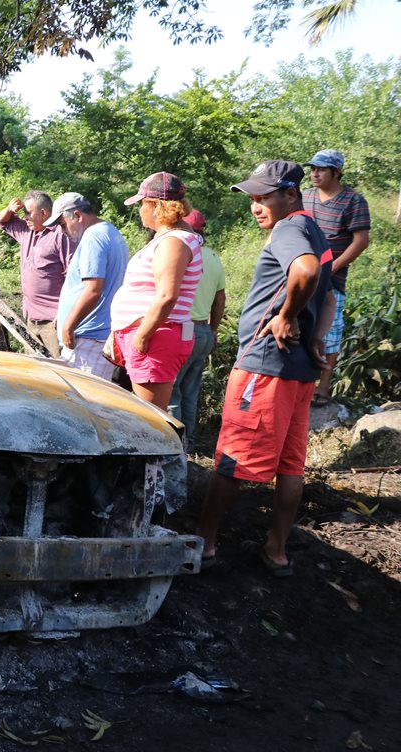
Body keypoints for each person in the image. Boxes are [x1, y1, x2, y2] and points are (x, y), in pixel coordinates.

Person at [197, 160, 335, 576]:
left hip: (266, 366)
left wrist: (289, 315)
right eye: (253, 198)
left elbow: (306, 271)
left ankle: (204, 542)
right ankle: (277, 551)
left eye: (264, 197)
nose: (256, 206)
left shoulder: (289, 228)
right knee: (291, 465)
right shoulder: (316, 232)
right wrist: (315, 336)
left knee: (232, 457)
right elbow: (328, 296)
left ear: (290, 195)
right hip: (299, 370)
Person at [107, 173, 203, 410]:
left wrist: (142, 335)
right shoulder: (171, 238)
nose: (140, 210)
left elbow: (166, 295)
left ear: (156, 206)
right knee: (141, 416)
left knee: (149, 420)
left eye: (142, 204)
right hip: (153, 335)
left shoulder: (174, 241)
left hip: (156, 337)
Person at [302, 149, 371, 406]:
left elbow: (361, 241)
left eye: (321, 169)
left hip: (332, 278)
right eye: (313, 169)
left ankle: (323, 388)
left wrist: (331, 268)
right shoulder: (304, 196)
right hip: (303, 273)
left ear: (336, 172)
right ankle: (302, 385)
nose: (315, 174)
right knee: (302, 327)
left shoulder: (353, 200)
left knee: (329, 332)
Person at [53, 192, 128, 380]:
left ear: (77, 216)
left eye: (63, 224)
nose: (62, 231)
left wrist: (69, 325)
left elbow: (93, 289)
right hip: (95, 334)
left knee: (83, 400)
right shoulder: (109, 231)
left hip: (89, 338)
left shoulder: (93, 237)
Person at [168, 209, 226, 449]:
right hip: (203, 332)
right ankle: (188, 443)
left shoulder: (180, 252)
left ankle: (173, 446)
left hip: (181, 331)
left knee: (171, 394)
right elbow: (220, 298)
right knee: (190, 393)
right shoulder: (212, 257)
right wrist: (213, 330)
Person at [0, 190, 76, 356]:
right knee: (34, 369)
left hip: (53, 321)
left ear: (43, 213)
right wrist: (10, 210)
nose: (24, 217)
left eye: (28, 213)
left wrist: (65, 313)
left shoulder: (61, 235)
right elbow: (1, 222)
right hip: (31, 318)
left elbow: (73, 275)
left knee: (58, 369)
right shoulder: (26, 231)